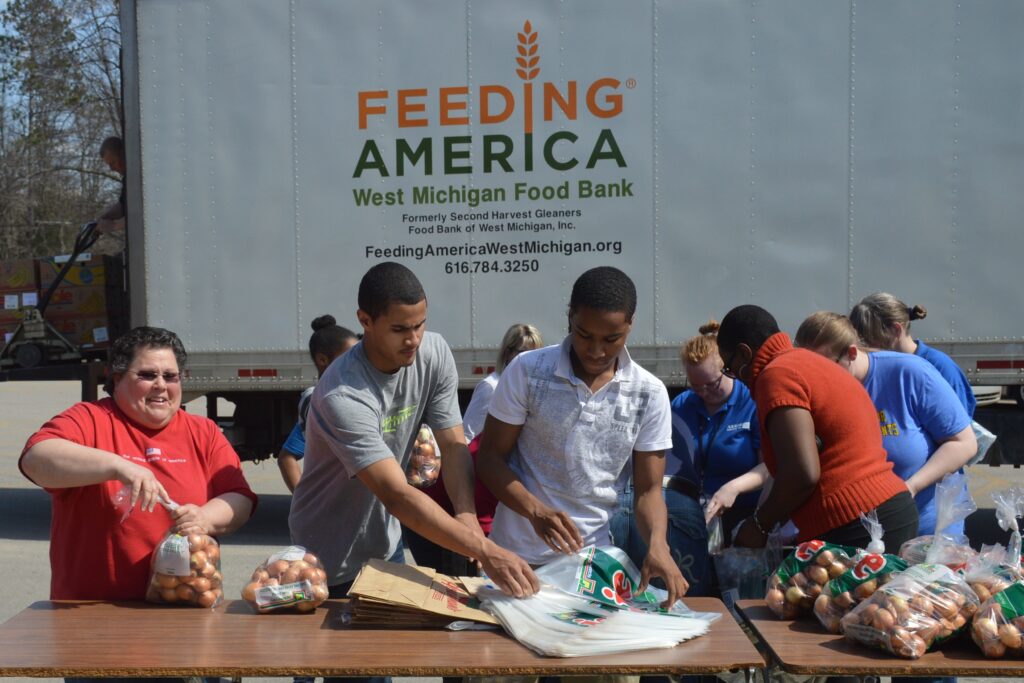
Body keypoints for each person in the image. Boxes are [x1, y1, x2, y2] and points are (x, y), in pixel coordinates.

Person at [287, 261, 538, 602]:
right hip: (328, 557)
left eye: (420, 324)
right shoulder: (342, 394)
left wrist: (466, 514)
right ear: (365, 321)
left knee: (395, 650)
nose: (414, 339)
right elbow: (397, 494)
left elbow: (453, 446)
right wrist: (487, 549)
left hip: (386, 544)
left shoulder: (433, 353)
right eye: (400, 329)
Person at [478, 266, 688, 607]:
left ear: (630, 325)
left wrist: (658, 546)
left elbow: (649, 490)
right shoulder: (529, 371)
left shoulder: (648, 393)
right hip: (514, 560)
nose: (595, 350)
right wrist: (536, 512)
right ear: (570, 317)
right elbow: (489, 459)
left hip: (591, 563)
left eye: (611, 339)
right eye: (584, 334)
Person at [19, 326, 257, 602]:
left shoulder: (203, 431)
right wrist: (117, 466)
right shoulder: (90, 419)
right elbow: (35, 459)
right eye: (147, 375)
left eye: (170, 376)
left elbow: (241, 499)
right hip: (92, 612)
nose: (161, 385)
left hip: (182, 607)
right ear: (117, 378)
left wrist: (205, 518)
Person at [716, 305, 919, 552]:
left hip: (855, 522)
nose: (736, 376)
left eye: (730, 368)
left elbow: (801, 473)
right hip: (885, 511)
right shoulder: (808, 362)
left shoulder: (776, 376)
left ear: (744, 353)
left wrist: (759, 525)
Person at [613, 321, 767, 597]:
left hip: (743, 519)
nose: (704, 393)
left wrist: (733, 487)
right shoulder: (681, 404)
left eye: (712, 384)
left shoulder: (751, 401)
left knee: (740, 599)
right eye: (696, 386)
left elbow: (770, 466)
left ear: (726, 370)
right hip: (694, 518)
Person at [795, 311, 976, 536]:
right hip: (862, 533)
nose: (815, 377)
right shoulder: (820, 390)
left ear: (851, 353)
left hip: (928, 532)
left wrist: (911, 487)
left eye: (823, 366)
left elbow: (964, 443)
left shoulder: (909, 373)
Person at [850, 293, 976, 417]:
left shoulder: (940, 367)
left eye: (868, 338)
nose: (864, 347)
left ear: (896, 330)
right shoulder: (871, 367)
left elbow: (960, 424)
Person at [277, 315, 360, 491]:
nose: (356, 364)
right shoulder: (317, 401)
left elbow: (286, 456)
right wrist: (304, 502)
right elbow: (286, 458)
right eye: (348, 357)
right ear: (323, 360)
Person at [462, 323, 544, 441]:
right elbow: (469, 435)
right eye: (523, 353)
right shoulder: (491, 387)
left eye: (535, 355)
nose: (529, 361)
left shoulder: (537, 390)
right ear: (507, 353)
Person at [94, 136, 127, 255]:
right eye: (109, 164)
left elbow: (143, 215)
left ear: (123, 154)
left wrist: (114, 225)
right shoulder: (128, 179)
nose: (112, 168)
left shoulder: (141, 176)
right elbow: (124, 205)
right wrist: (104, 217)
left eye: (113, 162)